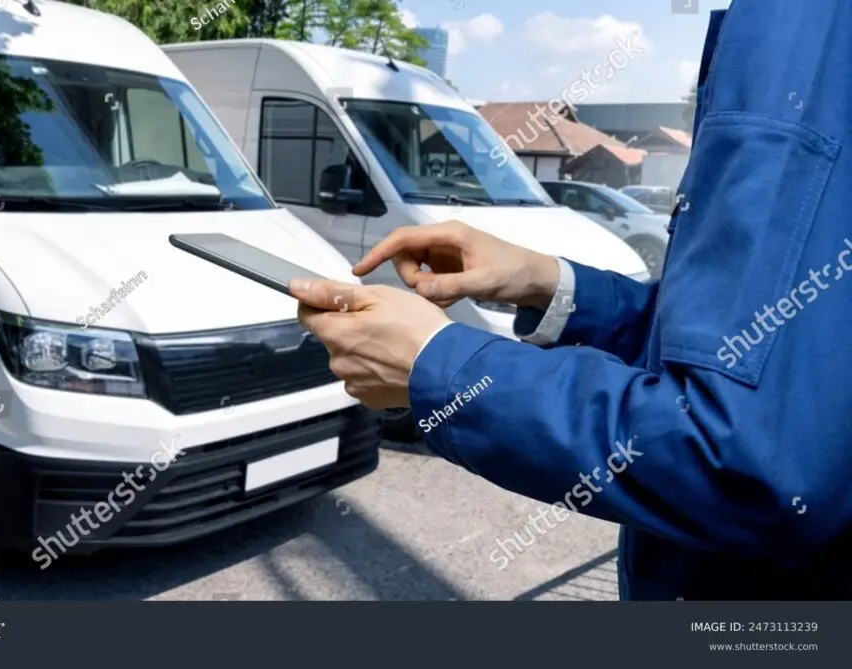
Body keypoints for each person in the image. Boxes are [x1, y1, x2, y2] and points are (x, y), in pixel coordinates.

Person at [288, 0, 852, 600]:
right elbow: (751, 355)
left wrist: (438, 366)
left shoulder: (804, 24)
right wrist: (550, 284)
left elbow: (746, 460)